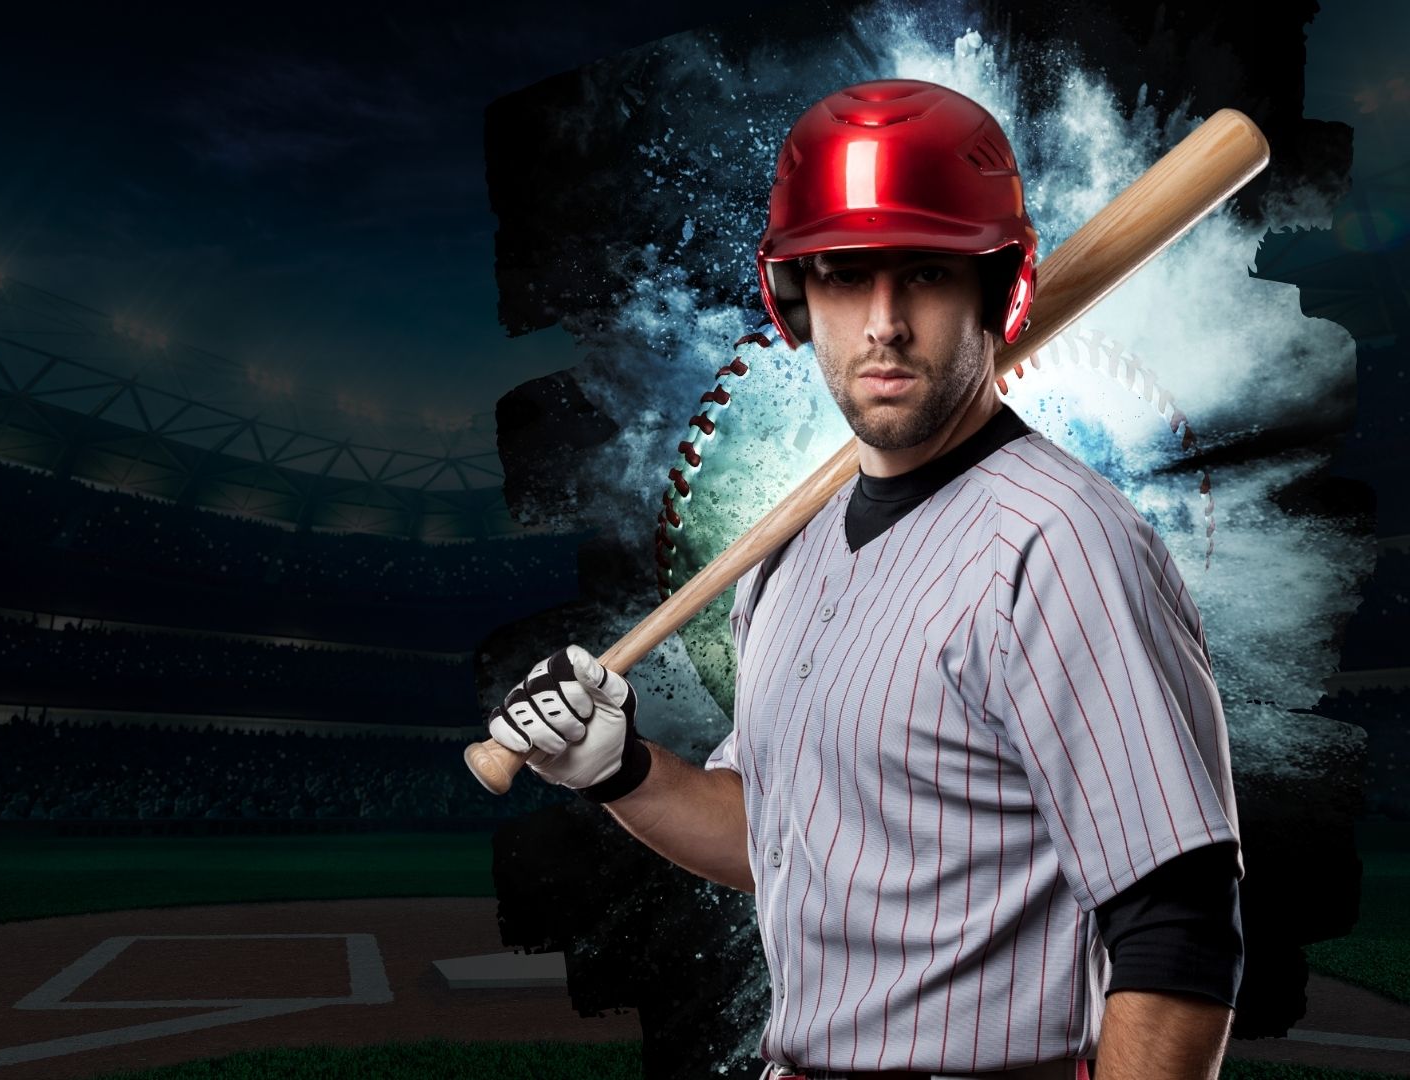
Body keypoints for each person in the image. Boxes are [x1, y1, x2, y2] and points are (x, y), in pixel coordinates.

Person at [486, 79, 1244, 1080]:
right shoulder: (785, 560)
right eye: (845, 274)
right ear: (795, 300)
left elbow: (1178, 928)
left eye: (926, 271)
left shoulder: (1062, 544)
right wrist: (620, 769)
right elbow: (790, 840)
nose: (883, 321)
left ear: (999, 288)